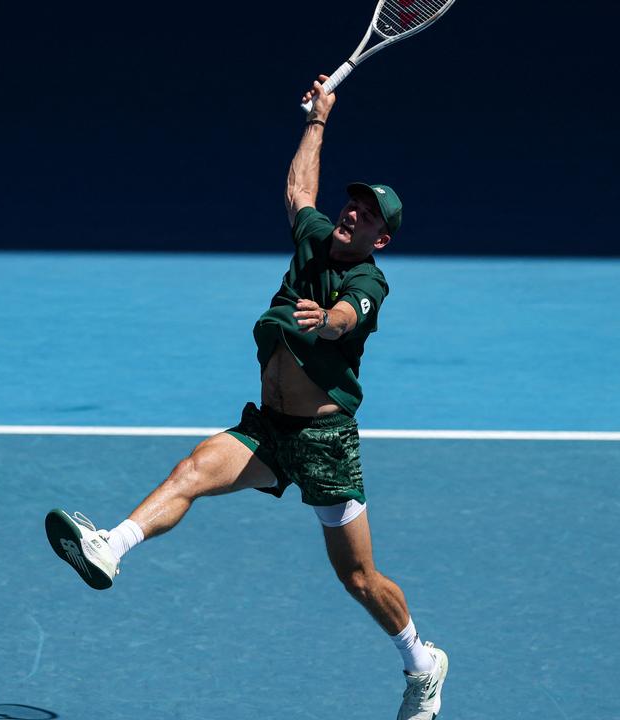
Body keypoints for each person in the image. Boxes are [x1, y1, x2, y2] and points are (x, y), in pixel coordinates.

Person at [44, 75, 448, 720]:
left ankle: (422, 663)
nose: (352, 213)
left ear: (383, 238)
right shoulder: (316, 237)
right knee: (193, 471)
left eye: (369, 215)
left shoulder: (370, 280)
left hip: (322, 441)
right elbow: (297, 191)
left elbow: (348, 316)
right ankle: (110, 547)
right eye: (353, 205)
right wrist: (318, 120)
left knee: (359, 579)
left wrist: (327, 321)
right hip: (267, 427)